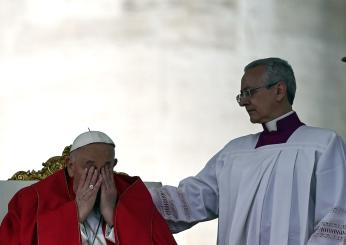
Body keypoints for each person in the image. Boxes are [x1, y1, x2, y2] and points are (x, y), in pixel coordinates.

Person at [149, 58, 346, 245]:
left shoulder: (323, 145)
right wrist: (126, 194)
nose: (244, 102)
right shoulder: (234, 153)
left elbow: (334, 220)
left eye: (250, 92)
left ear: (279, 90)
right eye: (241, 95)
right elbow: (191, 200)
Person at [0, 131, 177, 245]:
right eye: (89, 167)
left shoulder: (133, 194)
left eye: (106, 167)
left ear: (114, 164)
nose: (98, 176)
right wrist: (74, 215)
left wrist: (115, 217)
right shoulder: (32, 199)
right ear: (70, 166)